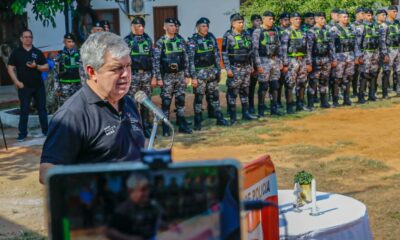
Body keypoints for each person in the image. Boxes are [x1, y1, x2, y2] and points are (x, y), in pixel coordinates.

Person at [39, 32, 145, 184]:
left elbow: (132, 146)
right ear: (92, 72)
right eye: (116, 68)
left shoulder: (128, 103)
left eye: (128, 66)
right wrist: (96, 188)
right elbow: (47, 172)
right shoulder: (71, 115)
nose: (126, 74)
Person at [7, 29, 49, 141]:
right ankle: (22, 134)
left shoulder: (37, 52)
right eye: (25, 37)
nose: (28, 39)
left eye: (30, 37)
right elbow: (10, 68)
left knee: (42, 109)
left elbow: (46, 67)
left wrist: (36, 66)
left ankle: (46, 131)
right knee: (24, 110)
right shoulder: (16, 53)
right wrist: (16, 82)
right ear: (21, 39)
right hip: (24, 87)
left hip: (38, 86)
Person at [188, 17, 229, 130]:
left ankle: (219, 118)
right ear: (197, 27)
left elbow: (216, 54)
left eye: (207, 26)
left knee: (215, 96)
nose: (206, 28)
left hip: (212, 72)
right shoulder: (193, 40)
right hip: (199, 74)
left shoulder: (211, 37)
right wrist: (193, 77)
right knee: (199, 98)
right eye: (203, 26)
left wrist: (219, 70)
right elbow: (190, 60)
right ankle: (197, 121)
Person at [153, 18, 192, 136]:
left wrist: (187, 75)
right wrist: (159, 78)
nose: (173, 28)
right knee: (166, 102)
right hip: (167, 77)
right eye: (170, 26)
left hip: (180, 75)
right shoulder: (161, 42)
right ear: (164, 27)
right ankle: (166, 127)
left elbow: (186, 58)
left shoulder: (180, 40)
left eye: (174, 26)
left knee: (180, 100)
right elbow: (156, 61)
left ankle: (182, 125)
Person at [222, 13, 256, 125]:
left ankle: (245, 113)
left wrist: (251, 65)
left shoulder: (246, 34)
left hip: (246, 67)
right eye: (239, 23)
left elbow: (251, 51)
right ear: (233, 23)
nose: (242, 24)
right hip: (234, 68)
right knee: (233, 92)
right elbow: (224, 53)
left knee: (245, 91)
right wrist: (228, 69)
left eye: (242, 22)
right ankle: (233, 117)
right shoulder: (228, 35)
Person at [124, 17, 155, 138]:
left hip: (146, 75)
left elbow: (153, 58)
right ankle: (135, 127)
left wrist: (154, 76)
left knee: (146, 102)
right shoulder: (126, 41)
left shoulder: (147, 39)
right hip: (134, 75)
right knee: (132, 103)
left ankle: (146, 126)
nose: (141, 28)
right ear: (132, 27)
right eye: (138, 26)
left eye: (142, 26)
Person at [107, 174, 163, 240]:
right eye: (143, 190)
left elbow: (154, 222)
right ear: (131, 191)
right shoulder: (122, 210)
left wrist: (167, 225)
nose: (147, 193)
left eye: (147, 189)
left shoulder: (150, 206)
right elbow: (110, 232)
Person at [281, 12, 312, 113]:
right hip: (291, 60)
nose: (298, 21)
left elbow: (307, 49)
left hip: (302, 60)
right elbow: (284, 49)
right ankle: (289, 106)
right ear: (291, 20)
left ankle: (300, 104)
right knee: (290, 84)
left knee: (302, 83)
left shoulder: (303, 32)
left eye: (299, 19)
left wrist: (308, 62)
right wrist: (285, 64)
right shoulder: (287, 32)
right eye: (295, 19)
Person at [252, 11, 282, 116]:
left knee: (274, 85)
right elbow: (254, 50)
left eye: (273, 19)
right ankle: (261, 110)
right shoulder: (257, 31)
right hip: (263, 60)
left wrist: (280, 61)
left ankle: (274, 108)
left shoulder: (275, 30)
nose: (272, 21)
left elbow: (279, 46)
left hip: (274, 61)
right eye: (269, 19)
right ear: (263, 19)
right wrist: (258, 65)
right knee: (264, 86)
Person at [329, 10, 361, 106]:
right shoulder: (334, 29)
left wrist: (356, 56)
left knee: (348, 78)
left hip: (350, 56)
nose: (346, 19)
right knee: (337, 79)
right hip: (339, 56)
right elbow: (331, 46)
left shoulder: (351, 28)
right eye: (344, 17)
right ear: (338, 18)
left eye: (347, 17)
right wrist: (333, 59)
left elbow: (355, 44)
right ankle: (335, 100)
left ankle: (346, 99)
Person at [307, 12, 336, 109]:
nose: (324, 20)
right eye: (321, 18)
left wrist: (333, 59)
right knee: (313, 81)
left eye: (324, 18)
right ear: (316, 19)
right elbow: (309, 49)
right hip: (316, 59)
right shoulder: (311, 31)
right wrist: (309, 62)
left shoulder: (327, 31)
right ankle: (310, 103)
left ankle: (324, 102)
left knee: (324, 81)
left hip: (326, 59)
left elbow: (331, 47)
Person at [358, 8, 387, 103]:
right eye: (367, 15)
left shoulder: (376, 27)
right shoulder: (361, 27)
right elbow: (357, 43)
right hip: (366, 54)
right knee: (364, 75)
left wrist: (384, 53)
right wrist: (359, 56)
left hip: (375, 54)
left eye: (370, 15)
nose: (369, 17)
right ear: (364, 16)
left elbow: (381, 42)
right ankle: (361, 97)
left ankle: (371, 95)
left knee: (374, 74)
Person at [54, 33, 82, 107]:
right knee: (65, 108)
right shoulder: (59, 56)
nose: (71, 44)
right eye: (69, 42)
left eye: (73, 42)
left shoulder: (79, 55)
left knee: (78, 108)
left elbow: (82, 72)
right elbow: (55, 73)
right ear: (64, 42)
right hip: (64, 87)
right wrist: (57, 89)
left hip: (77, 86)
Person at [383, 6, 400, 96]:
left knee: (398, 70)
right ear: (389, 12)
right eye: (394, 11)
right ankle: (385, 92)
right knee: (387, 70)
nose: (395, 13)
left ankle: (398, 89)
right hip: (389, 50)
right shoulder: (385, 24)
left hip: (397, 49)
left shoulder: (397, 23)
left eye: (396, 12)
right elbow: (382, 40)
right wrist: (385, 53)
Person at [247, 14, 262, 114]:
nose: (259, 22)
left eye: (260, 20)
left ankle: (262, 104)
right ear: (252, 22)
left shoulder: (263, 31)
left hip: (263, 61)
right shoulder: (248, 32)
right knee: (251, 86)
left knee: (263, 85)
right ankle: (251, 105)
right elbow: (250, 50)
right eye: (256, 21)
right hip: (253, 63)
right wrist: (253, 65)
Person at [376, 9, 391, 99]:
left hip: (384, 53)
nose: (384, 16)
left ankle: (385, 93)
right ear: (377, 15)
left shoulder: (386, 26)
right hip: (375, 53)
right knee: (374, 73)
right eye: (382, 15)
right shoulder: (373, 25)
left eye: (385, 15)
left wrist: (386, 53)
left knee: (386, 71)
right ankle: (372, 92)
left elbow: (386, 41)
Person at [351, 7, 365, 98]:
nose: (363, 15)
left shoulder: (366, 25)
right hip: (355, 52)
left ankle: (362, 90)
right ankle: (354, 91)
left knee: (363, 72)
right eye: (361, 13)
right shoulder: (352, 26)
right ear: (356, 14)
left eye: (364, 13)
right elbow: (353, 41)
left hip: (364, 51)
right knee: (354, 73)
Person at [277, 12, 290, 108]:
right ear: (280, 21)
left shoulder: (290, 30)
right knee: (278, 83)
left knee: (288, 82)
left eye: (288, 20)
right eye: (285, 20)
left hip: (289, 59)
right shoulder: (277, 30)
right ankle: (277, 101)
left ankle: (289, 101)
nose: (287, 21)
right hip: (280, 59)